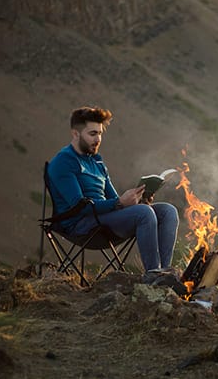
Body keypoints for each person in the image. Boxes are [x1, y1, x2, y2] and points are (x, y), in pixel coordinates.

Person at [47, 106, 179, 280]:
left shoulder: (97, 162)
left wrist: (137, 200)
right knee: (144, 213)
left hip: (103, 220)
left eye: (100, 133)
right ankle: (153, 276)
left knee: (167, 211)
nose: (98, 139)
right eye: (92, 134)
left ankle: (164, 272)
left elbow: (114, 199)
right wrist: (120, 204)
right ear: (75, 134)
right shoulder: (63, 162)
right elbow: (79, 206)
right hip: (81, 226)